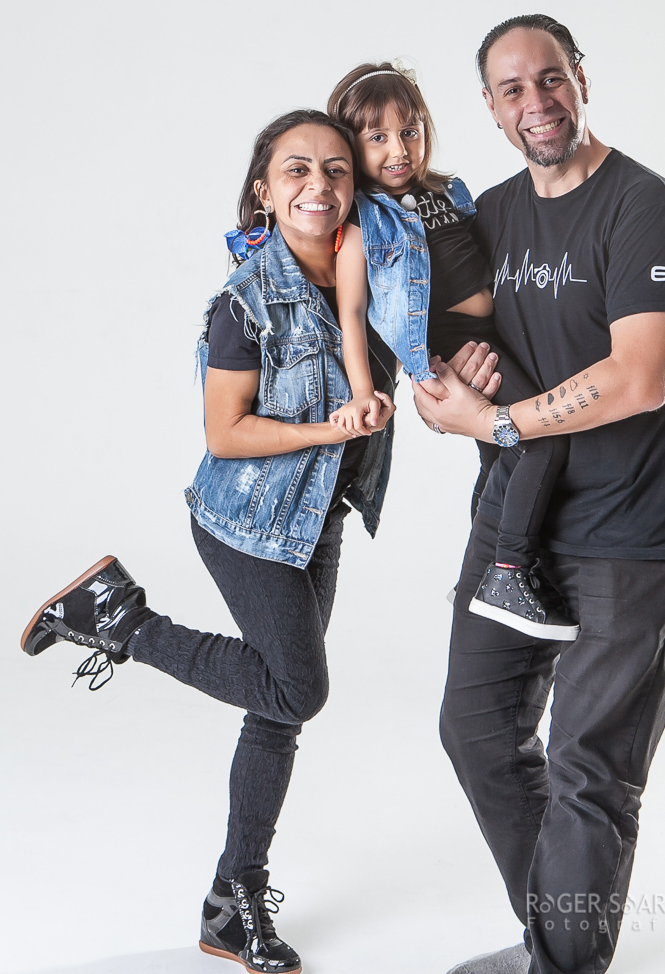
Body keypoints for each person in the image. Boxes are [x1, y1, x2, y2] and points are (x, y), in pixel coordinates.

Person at [20, 109, 397, 974]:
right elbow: (225, 433)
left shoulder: (368, 270)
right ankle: (123, 622)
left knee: (275, 712)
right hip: (247, 523)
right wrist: (329, 429)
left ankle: (232, 909)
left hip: (316, 520)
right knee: (298, 692)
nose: (319, 184)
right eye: (296, 169)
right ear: (264, 191)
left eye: (337, 170)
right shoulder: (246, 300)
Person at [412, 15, 665, 974]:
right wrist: (453, 378)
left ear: (581, 78)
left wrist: (499, 423)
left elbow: (639, 377)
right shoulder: (491, 216)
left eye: (550, 78)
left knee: (591, 773)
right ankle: (560, 942)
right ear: (492, 110)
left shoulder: (644, 207)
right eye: (512, 89)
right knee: (476, 728)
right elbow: (445, 361)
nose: (536, 102)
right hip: (517, 525)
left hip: (633, 530)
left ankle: (562, 962)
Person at [327, 60, 577, 641]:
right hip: (448, 345)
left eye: (410, 131)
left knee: (500, 460)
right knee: (539, 436)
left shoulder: (447, 192)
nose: (399, 149)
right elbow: (352, 315)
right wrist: (367, 389)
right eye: (378, 137)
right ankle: (510, 571)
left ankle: (480, 574)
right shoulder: (365, 221)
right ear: (351, 146)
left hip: (493, 340)